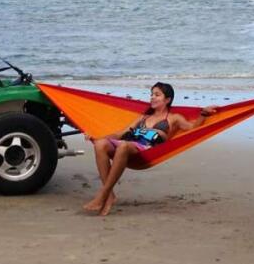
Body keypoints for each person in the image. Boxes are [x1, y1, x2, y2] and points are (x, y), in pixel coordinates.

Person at [83, 82, 216, 216]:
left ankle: (103, 194)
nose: (152, 97)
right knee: (100, 144)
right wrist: (97, 138)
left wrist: (203, 114)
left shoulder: (174, 118)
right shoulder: (144, 117)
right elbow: (121, 133)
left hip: (148, 150)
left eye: (157, 95)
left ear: (167, 99)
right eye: (151, 94)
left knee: (123, 146)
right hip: (130, 143)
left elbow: (192, 128)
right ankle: (109, 195)